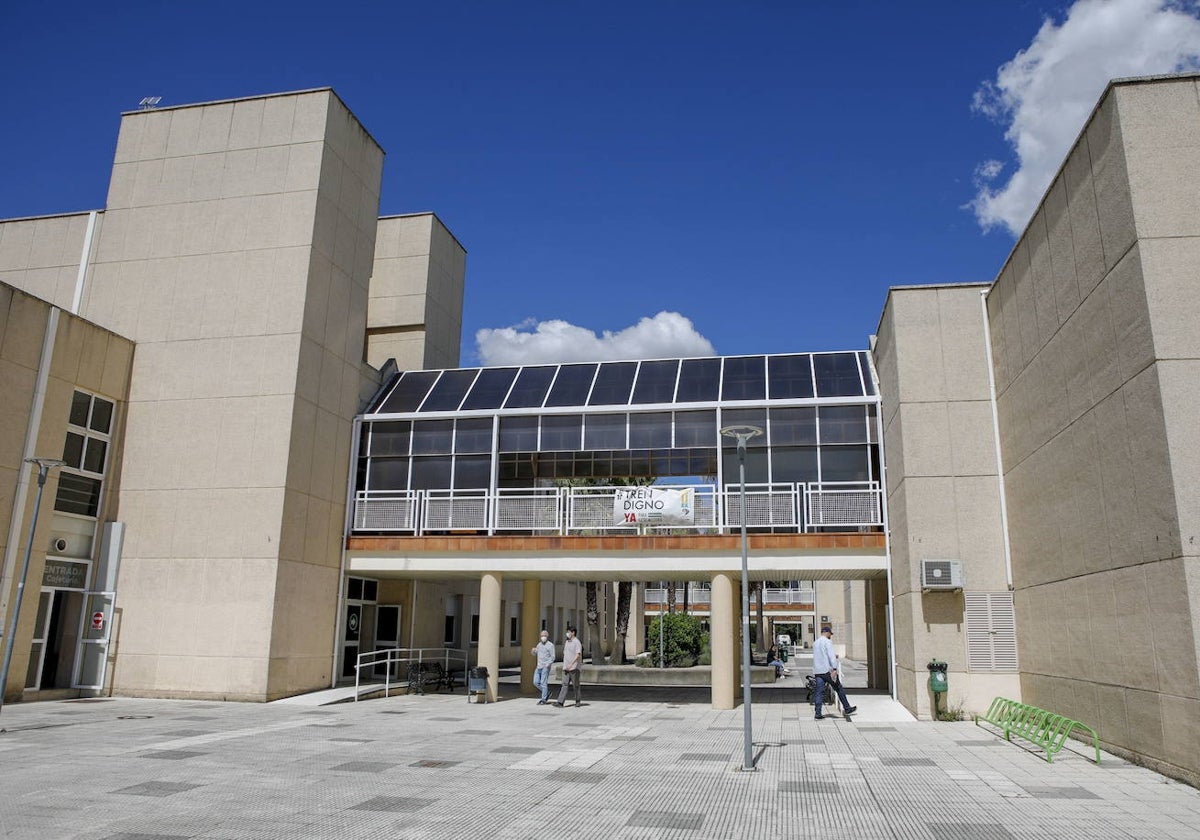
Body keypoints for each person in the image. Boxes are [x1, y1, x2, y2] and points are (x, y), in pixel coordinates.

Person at [812, 625, 855, 719]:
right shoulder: (828, 642)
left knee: (818, 692)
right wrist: (835, 669)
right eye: (830, 634)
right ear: (826, 632)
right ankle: (847, 708)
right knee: (838, 687)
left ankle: (818, 713)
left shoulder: (815, 643)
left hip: (818, 670)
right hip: (827, 670)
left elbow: (819, 656)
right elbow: (831, 656)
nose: (830, 636)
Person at [554, 626, 583, 707]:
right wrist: (566, 665)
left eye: (569, 632)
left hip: (574, 668)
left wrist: (571, 664)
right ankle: (560, 702)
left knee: (575, 685)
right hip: (566, 667)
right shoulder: (567, 642)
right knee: (564, 684)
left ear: (573, 632)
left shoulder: (577, 642)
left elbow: (578, 654)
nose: (567, 633)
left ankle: (577, 701)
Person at [531, 628, 555, 705]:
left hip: (545, 667)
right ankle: (547, 692)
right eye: (542, 635)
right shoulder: (539, 645)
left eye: (544, 635)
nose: (543, 637)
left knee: (543, 683)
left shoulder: (550, 645)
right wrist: (533, 651)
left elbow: (553, 657)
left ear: (547, 636)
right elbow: (534, 653)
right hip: (539, 666)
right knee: (535, 682)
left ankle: (544, 699)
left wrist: (548, 664)